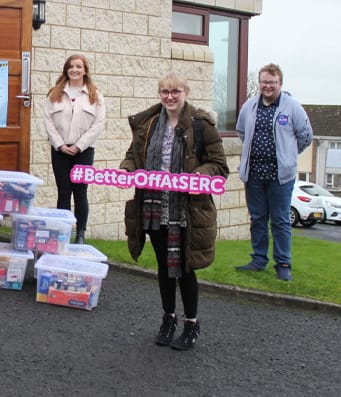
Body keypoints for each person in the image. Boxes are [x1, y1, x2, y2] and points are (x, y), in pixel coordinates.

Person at [119, 73, 229, 350]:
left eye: (175, 91)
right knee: (164, 268)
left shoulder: (201, 125)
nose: (169, 96)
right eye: (164, 91)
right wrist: (126, 170)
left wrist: (197, 177)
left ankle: (191, 323)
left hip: (185, 209)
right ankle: (168, 318)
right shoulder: (150, 123)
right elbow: (134, 155)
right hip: (153, 205)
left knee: (184, 268)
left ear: (186, 92)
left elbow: (219, 165)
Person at [234, 63, 313, 282]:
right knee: (258, 219)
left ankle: (283, 263)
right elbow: (241, 131)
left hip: (281, 176)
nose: (268, 86)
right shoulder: (249, 106)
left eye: (272, 82)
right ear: (259, 83)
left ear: (280, 83)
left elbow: (306, 135)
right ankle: (258, 260)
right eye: (264, 82)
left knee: (280, 220)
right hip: (254, 175)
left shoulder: (292, 107)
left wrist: (289, 154)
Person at [43, 54, 106, 244]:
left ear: (85, 70)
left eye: (78, 66)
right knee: (64, 191)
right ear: (66, 70)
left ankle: (80, 233)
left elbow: (98, 123)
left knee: (80, 192)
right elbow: (48, 121)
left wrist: (79, 146)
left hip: (83, 152)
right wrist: (60, 145)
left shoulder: (95, 96)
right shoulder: (54, 93)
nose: (74, 70)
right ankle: (63, 232)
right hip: (60, 150)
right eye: (71, 66)